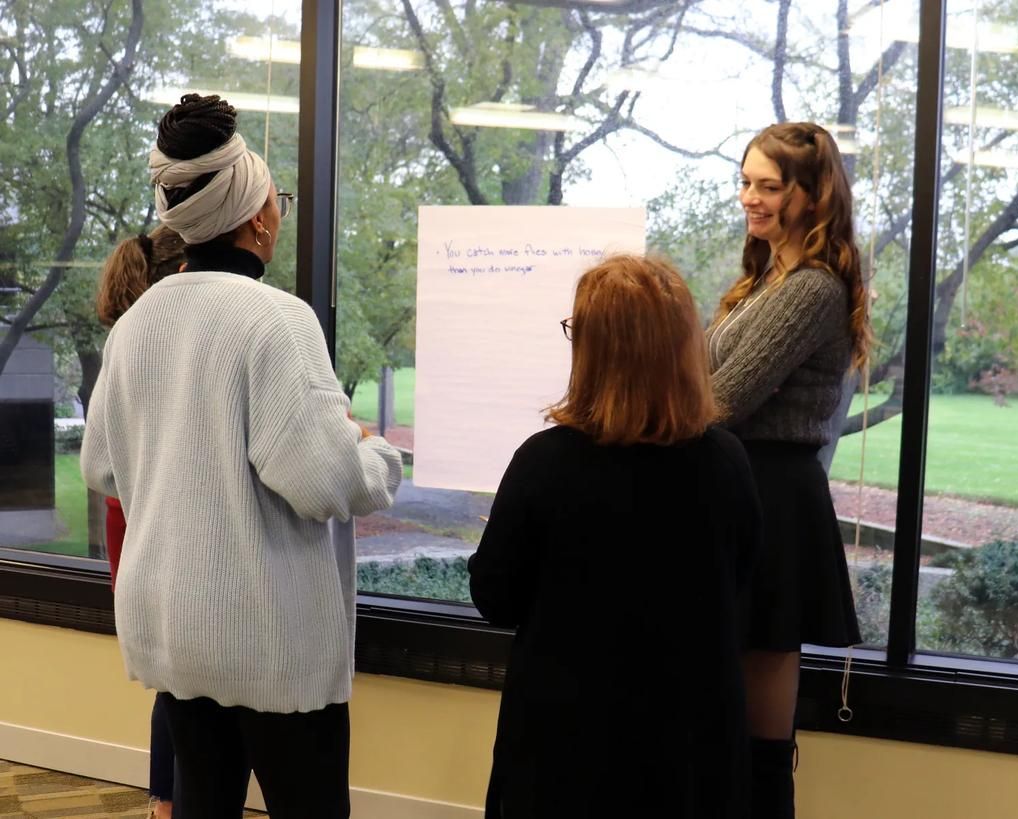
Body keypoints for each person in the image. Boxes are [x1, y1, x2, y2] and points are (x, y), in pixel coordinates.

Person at [81, 93, 403, 818]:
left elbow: (101, 467)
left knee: (202, 801)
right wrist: (375, 452)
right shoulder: (276, 321)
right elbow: (323, 479)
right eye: (278, 199)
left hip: (176, 629)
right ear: (259, 216)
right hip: (270, 639)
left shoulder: (135, 327)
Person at [468, 254, 762, 819]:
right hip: (691, 744)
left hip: (567, 748)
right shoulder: (727, 461)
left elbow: (496, 598)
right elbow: (740, 577)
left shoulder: (545, 462)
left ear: (595, 350)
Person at [707, 121, 870, 818]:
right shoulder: (762, 279)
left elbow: (722, 397)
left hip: (775, 498)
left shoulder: (812, 288)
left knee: (762, 740)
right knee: (723, 725)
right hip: (740, 488)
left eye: (768, 186)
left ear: (811, 195)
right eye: (745, 182)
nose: (750, 197)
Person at [95, 226, 187, 819]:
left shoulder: (133, 345)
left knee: (172, 683)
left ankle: (164, 802)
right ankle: (167, 803)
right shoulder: (156, 350)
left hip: (129, 526)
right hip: (147, 527)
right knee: (179, 683)